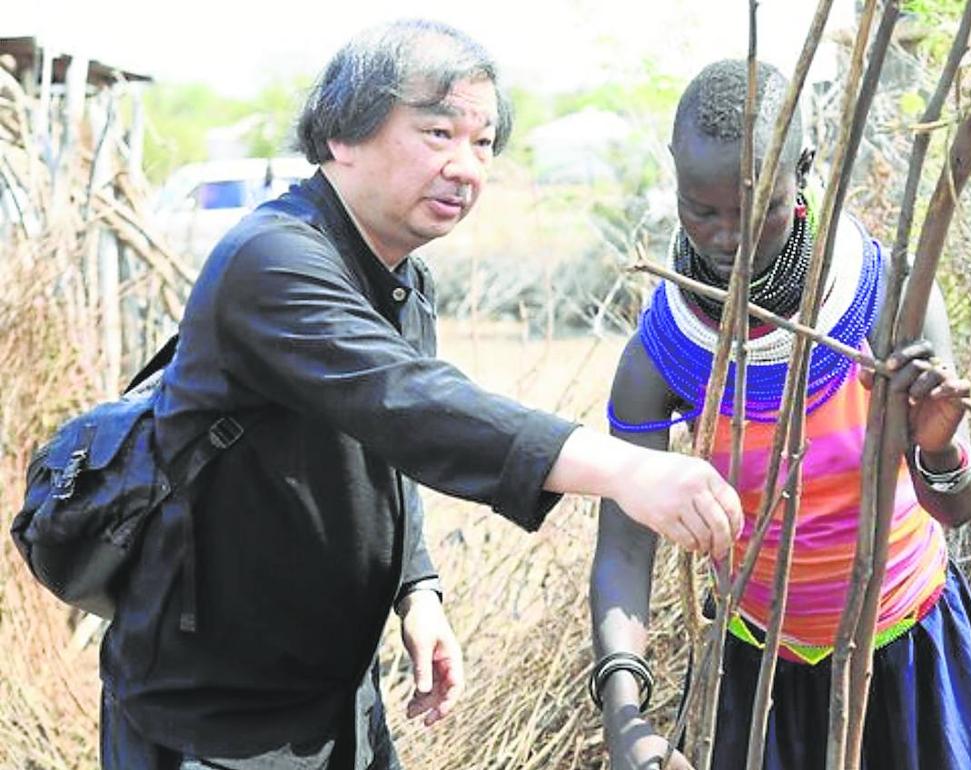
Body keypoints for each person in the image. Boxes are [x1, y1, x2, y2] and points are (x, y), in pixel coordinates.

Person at [99, 20, 743, 770]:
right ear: (343, 133)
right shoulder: (272, 264)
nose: (466, 166)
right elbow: (410, 402)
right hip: (216, 713)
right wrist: (628, 469)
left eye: (483, 143)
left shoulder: (401, 276)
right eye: (438, 132)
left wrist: (417, 589)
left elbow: (387, 445)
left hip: (337, 695)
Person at [590, 59, 971, 770]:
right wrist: (624, 715)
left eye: (754, 210)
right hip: (758, 671)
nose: (726, 239)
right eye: (702, 211)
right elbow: (625, 546)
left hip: (908, 655)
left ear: (806, 170)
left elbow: (961, 508)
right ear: (673, 179)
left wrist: (939, 451)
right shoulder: (664, 352)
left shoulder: (886, 300)